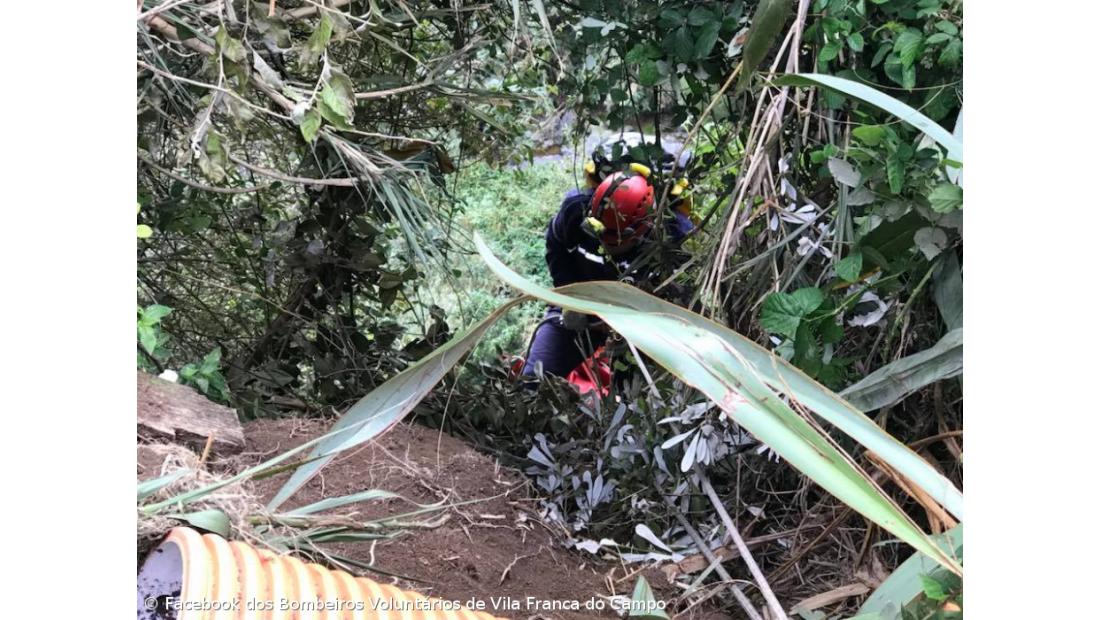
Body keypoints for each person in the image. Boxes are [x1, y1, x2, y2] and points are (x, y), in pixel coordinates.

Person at [520, 142, 695, 381]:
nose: (606, 244)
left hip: (638, 327)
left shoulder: (674, 237)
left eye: (615, 240)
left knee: (632, 398)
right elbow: (556, 246)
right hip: (581, 309)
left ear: (643, 228)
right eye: (600, 235)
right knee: (533, 378)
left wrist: (632, 327)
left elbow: (681, 300)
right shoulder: (575, 211)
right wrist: (569, 298)